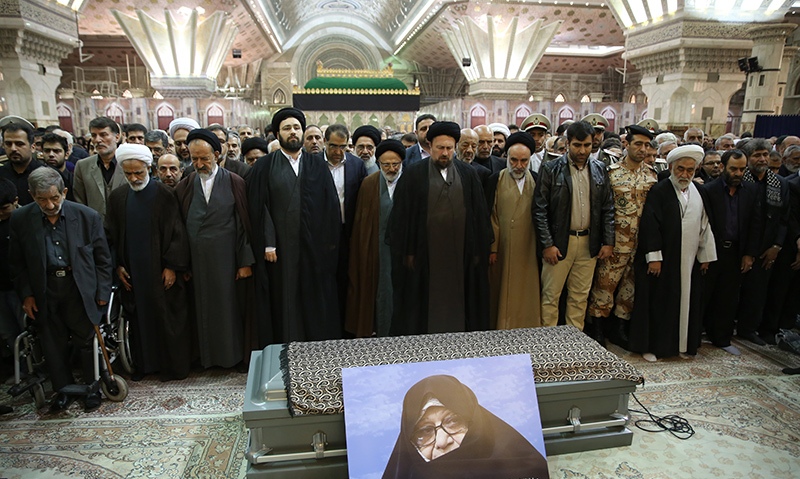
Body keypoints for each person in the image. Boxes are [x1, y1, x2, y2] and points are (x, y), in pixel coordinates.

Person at [9, 167, 113, 413]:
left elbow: (103, 260)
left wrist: (102, 293)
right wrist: (26, 294)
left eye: (55, 198)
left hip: (79, 287)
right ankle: (63, 391)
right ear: (32, 196)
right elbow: (17, 263)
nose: (50, 204)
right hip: (44, 289)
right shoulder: (21, 219)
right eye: (42, 199)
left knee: (86, 340)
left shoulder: (87, 216)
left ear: (64, 192)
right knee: (52, 344)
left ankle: (92, 387)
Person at [246, 108, 341, 344]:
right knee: (285, 297)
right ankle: (288, 344)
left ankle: (313, 346)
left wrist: (328, 243)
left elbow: (329, 206)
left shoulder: (317, 165)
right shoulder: (265, 166)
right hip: (280, 249)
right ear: (277, 133)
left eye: (296, 128)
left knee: (311, 295)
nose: (292, 132)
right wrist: (268, 243)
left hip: (313, 247)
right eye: (287, 128)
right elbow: (261, 208)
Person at [388, 121, 492, 335]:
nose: (444, 153)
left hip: (460, 255)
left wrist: (476, 252)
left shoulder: (468, 174)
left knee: (460, 302)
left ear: (455, 148)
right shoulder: (413, 174)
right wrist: (408, 252)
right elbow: (402, 218)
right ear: (430, 147)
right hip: (424, 255)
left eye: (449, 148)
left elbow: (479, 217)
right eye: (440, 148)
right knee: (422, 309)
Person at [106, 144, 191, 381]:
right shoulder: (117, 198)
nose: (134, 178)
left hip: (161, 272)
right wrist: (118, 266)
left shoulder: (164, 194)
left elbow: (177, 233)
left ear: (149, 169)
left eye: (139, 173)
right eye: (129, 174)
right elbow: (111, 235)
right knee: (139, 322)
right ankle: (144, 366)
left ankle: (171, 369)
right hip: (133, 273)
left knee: (167, 320)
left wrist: (172, 266)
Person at [628, 145, 717, 361]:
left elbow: (706, 225)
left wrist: (705, 256)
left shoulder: (699, 192)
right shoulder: (660, 191)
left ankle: (682, 345)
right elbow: (650, 226)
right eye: (680, 169)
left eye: (690, 170)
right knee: (659, 304)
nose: (684, 175)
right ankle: (652, 347)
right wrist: (654, 258)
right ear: (670, 168)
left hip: (689, 261)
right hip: (663, 262)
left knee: (687, 303)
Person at [175, 129, 254, 369]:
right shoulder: (185, 186)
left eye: (204, 159)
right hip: (198, 262)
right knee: (201, 310)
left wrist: (244, 261)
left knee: (229, 309)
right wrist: (183, 263)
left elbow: (243, 224)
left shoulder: (234, 181)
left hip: (227, 260)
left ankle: (231, 358)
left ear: (217, 155)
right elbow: (178, 228)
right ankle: (205, 359)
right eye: (194, 159)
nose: (199, 164)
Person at [382, 375, 548, 479]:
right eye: (424, 431)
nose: (442, 441)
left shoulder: (526, 471)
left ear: (476, 422)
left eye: (452, 421)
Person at [533, 120, 614, 330]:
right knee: (551, 296)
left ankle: (574, 345)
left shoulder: (599, 169)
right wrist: (547, 244)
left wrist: (608, 241)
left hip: (589, 243)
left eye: (587, 145)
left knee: (579, 297)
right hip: (560, 243)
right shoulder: (551, 169)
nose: (582, 150)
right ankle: (546, 344)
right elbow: (539, 209)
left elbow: (607, 207)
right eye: (577, 145)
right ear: (568, 143)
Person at [587, 125, 658, 346]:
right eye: (638, 144)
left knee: (630, 289)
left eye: (647, 145)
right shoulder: (612, 174)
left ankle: (619, 329)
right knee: (604, 286)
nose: (643, 149)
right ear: (626, 144)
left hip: (639, 244)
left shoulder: (652, 176)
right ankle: (598, 330)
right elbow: (602, 211)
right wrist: (605, 241)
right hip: (615, 243)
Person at [701, 149, 761, 355]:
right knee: (704, 295)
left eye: (742, 169)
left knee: (728, 298)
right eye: (733, 169)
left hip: (736, 252)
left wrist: (749, 254)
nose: (738, 173)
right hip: (712, 251)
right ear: (723, 167)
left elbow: (755, 224)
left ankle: (721, 337)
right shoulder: (709, 190)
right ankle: (696, 336)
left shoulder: (751, 191)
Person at [345, 140, 404, 338]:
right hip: (377, 250)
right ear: (378, 163)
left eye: (395, 164)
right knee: (380, 291)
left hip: (404, 252)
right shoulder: (369, 184)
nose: (391, 169)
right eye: (386, 165)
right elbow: (362, 224)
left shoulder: (410, 181)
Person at [735, 139, 789, 346]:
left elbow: (784, 218)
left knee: (757, 292)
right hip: (740, 245)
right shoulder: (739, 179)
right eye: (757, 155)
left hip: (766, 247)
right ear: (748, 158)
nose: (762, 159)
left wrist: (776, 246)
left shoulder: (779, 183)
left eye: (765, 155)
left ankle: (748, 328)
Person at [488, 132, 541, 330]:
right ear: (507, 158)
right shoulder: (495, 179)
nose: (519, 165)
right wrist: (492, 248)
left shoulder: (537, 180)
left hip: (529, 245)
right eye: (514, 160)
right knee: (500, 292)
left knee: (526, 290)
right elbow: (491, 215)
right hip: (501, 248)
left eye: (524, 161)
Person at [324, 124, 367, 326]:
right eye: (333, 146)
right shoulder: (314, 164)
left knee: (347, 279)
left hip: (348, 234)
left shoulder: (357, 166)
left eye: (343, 147)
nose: (337, 152)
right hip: (323, 237)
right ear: (325, 143)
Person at [73, 117, 127, 221]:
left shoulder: (128, 163)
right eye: (94, 135)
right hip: (95, 227)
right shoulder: (82, 166)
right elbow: (80, 201)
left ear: (117, 137)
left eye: (103, 135)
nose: (98, 140)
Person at [0, 178, 20, 380]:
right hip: (1, 290)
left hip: (19, 288)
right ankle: (20, 370)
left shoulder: (22, 221)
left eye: (4, 208)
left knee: (26, 332)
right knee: (8, 333)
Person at [0, 121, 43, 205]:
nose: (13, 149)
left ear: (32, 147)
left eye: (19, 144)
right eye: (8, 144)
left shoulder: (47, 174)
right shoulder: (1, 174)